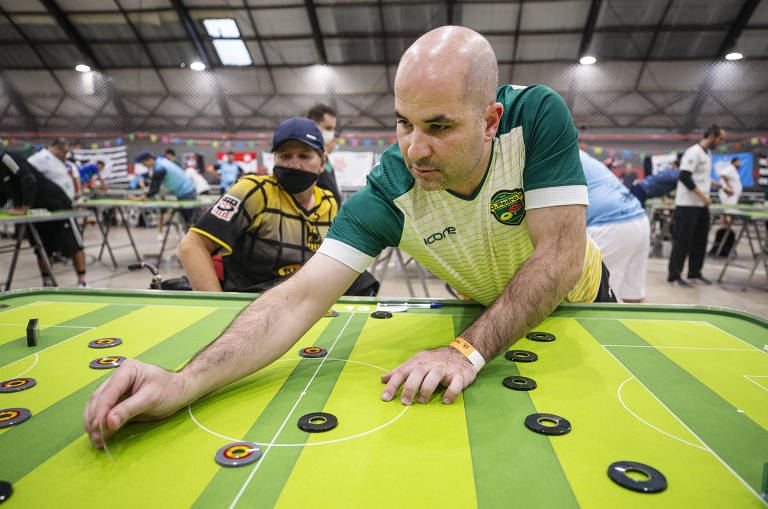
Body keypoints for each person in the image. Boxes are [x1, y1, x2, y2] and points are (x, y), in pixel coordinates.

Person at [84, 26, 613, 449]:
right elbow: (298, 298)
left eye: (439, 126)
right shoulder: (389, 194)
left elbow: (561, 255)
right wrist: (184, 381)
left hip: (583, 305)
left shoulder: (537, 115)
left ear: (490, 120)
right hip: (486, 317)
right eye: (404, 123)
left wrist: (464, 351)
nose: (415, 150)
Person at [178, 117, 378, 294]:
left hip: (303, 296)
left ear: (322, 161)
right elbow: (191, 246)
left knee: (361, 279)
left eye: (304, 156)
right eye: (284, 156)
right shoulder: (253, 191)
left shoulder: (328, 201)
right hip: (254, 299)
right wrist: (217, 309)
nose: (293, 164)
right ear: (274, 159)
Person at [1, 151, 88, 287]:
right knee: (42, 247)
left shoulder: (6, 158)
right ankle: (47, 284)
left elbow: (29, 179)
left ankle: (82, 282)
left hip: (55, 204)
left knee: (73, 244)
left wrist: (24, 207)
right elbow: (3, 194)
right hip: (35, 210)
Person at [667, 125, 732, 287]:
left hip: (701, 206)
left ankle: (695, 273)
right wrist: (703, 197)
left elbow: (703, 178)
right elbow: (685, 177)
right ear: (711, 135)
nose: (721, 142)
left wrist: (722, 187)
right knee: (683, 241)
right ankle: (675, 276)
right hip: (687, 205)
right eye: (720, 139)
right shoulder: (693, 152)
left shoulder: (708, 154)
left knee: (700, 241)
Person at [581, 150, 650, 302]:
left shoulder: (550, 151)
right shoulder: (578, 153)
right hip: (638, 217)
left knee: (598, 297)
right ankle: (638, 326)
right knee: (633, 294)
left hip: (608, 224)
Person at [130, 151, 198, 229]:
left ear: (148, 159)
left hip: (187, 192)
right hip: (184, 192)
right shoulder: (161, 162)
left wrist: (140, 198)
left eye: (143, 163)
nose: (143, 165)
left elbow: (154, 189)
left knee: (191, 222)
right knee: (187, 222)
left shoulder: (160, 167)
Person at [306, 104, 343, 204]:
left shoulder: (324, 156)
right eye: (328, 128)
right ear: (313, 125)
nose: (331, 133)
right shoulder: (305, 158)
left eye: (332, 129)